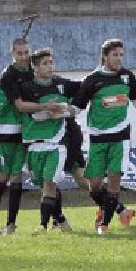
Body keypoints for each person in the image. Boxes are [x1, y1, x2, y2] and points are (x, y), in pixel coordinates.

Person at [71, 38, 136, 235]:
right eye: (115, 55)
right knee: (94, 186)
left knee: (114, 180)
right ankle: (121, 211)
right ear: (105, 56)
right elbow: (77, 108)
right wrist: (60, 112)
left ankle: (104, 225)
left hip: (121, 137)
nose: (119, 59)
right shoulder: (92, 80)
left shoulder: (127, 77)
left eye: (121, 55)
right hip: (98, 139)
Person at [0, 38, 62, 235]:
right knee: (4, 174)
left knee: (18, 175)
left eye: (27, 52)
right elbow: (19, 105)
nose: (24, 56)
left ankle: (11, 225)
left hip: (23, 130)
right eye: (20, 53)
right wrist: (45, 106)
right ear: (12, 54)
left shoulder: (30, 72)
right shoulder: (8, 75)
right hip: (5, 129)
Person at [13, 48, 83, 234]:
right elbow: (27, 111)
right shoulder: (27, 88)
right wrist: (47, 111)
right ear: (34, 67)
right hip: (34, 144)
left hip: (56, 143)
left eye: (51, 62)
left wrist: (69, 109)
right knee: (43, 185)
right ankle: (60, 221)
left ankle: (42, 226)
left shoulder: (62, 84)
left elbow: (83, 92)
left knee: (50, 184)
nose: (50, 66)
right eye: (45, 63)